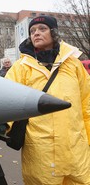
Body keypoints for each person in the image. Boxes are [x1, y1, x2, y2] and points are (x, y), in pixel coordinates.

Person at [5, 15, 90, 184]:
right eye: (32, 31)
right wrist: (3, 126)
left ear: (54, 33)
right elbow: (6, 102)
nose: (36, 33)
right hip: (41, 153)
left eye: (42, 29)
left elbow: (86, 103)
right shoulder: (21, 68)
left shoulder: (73, 65)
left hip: (76, 150)